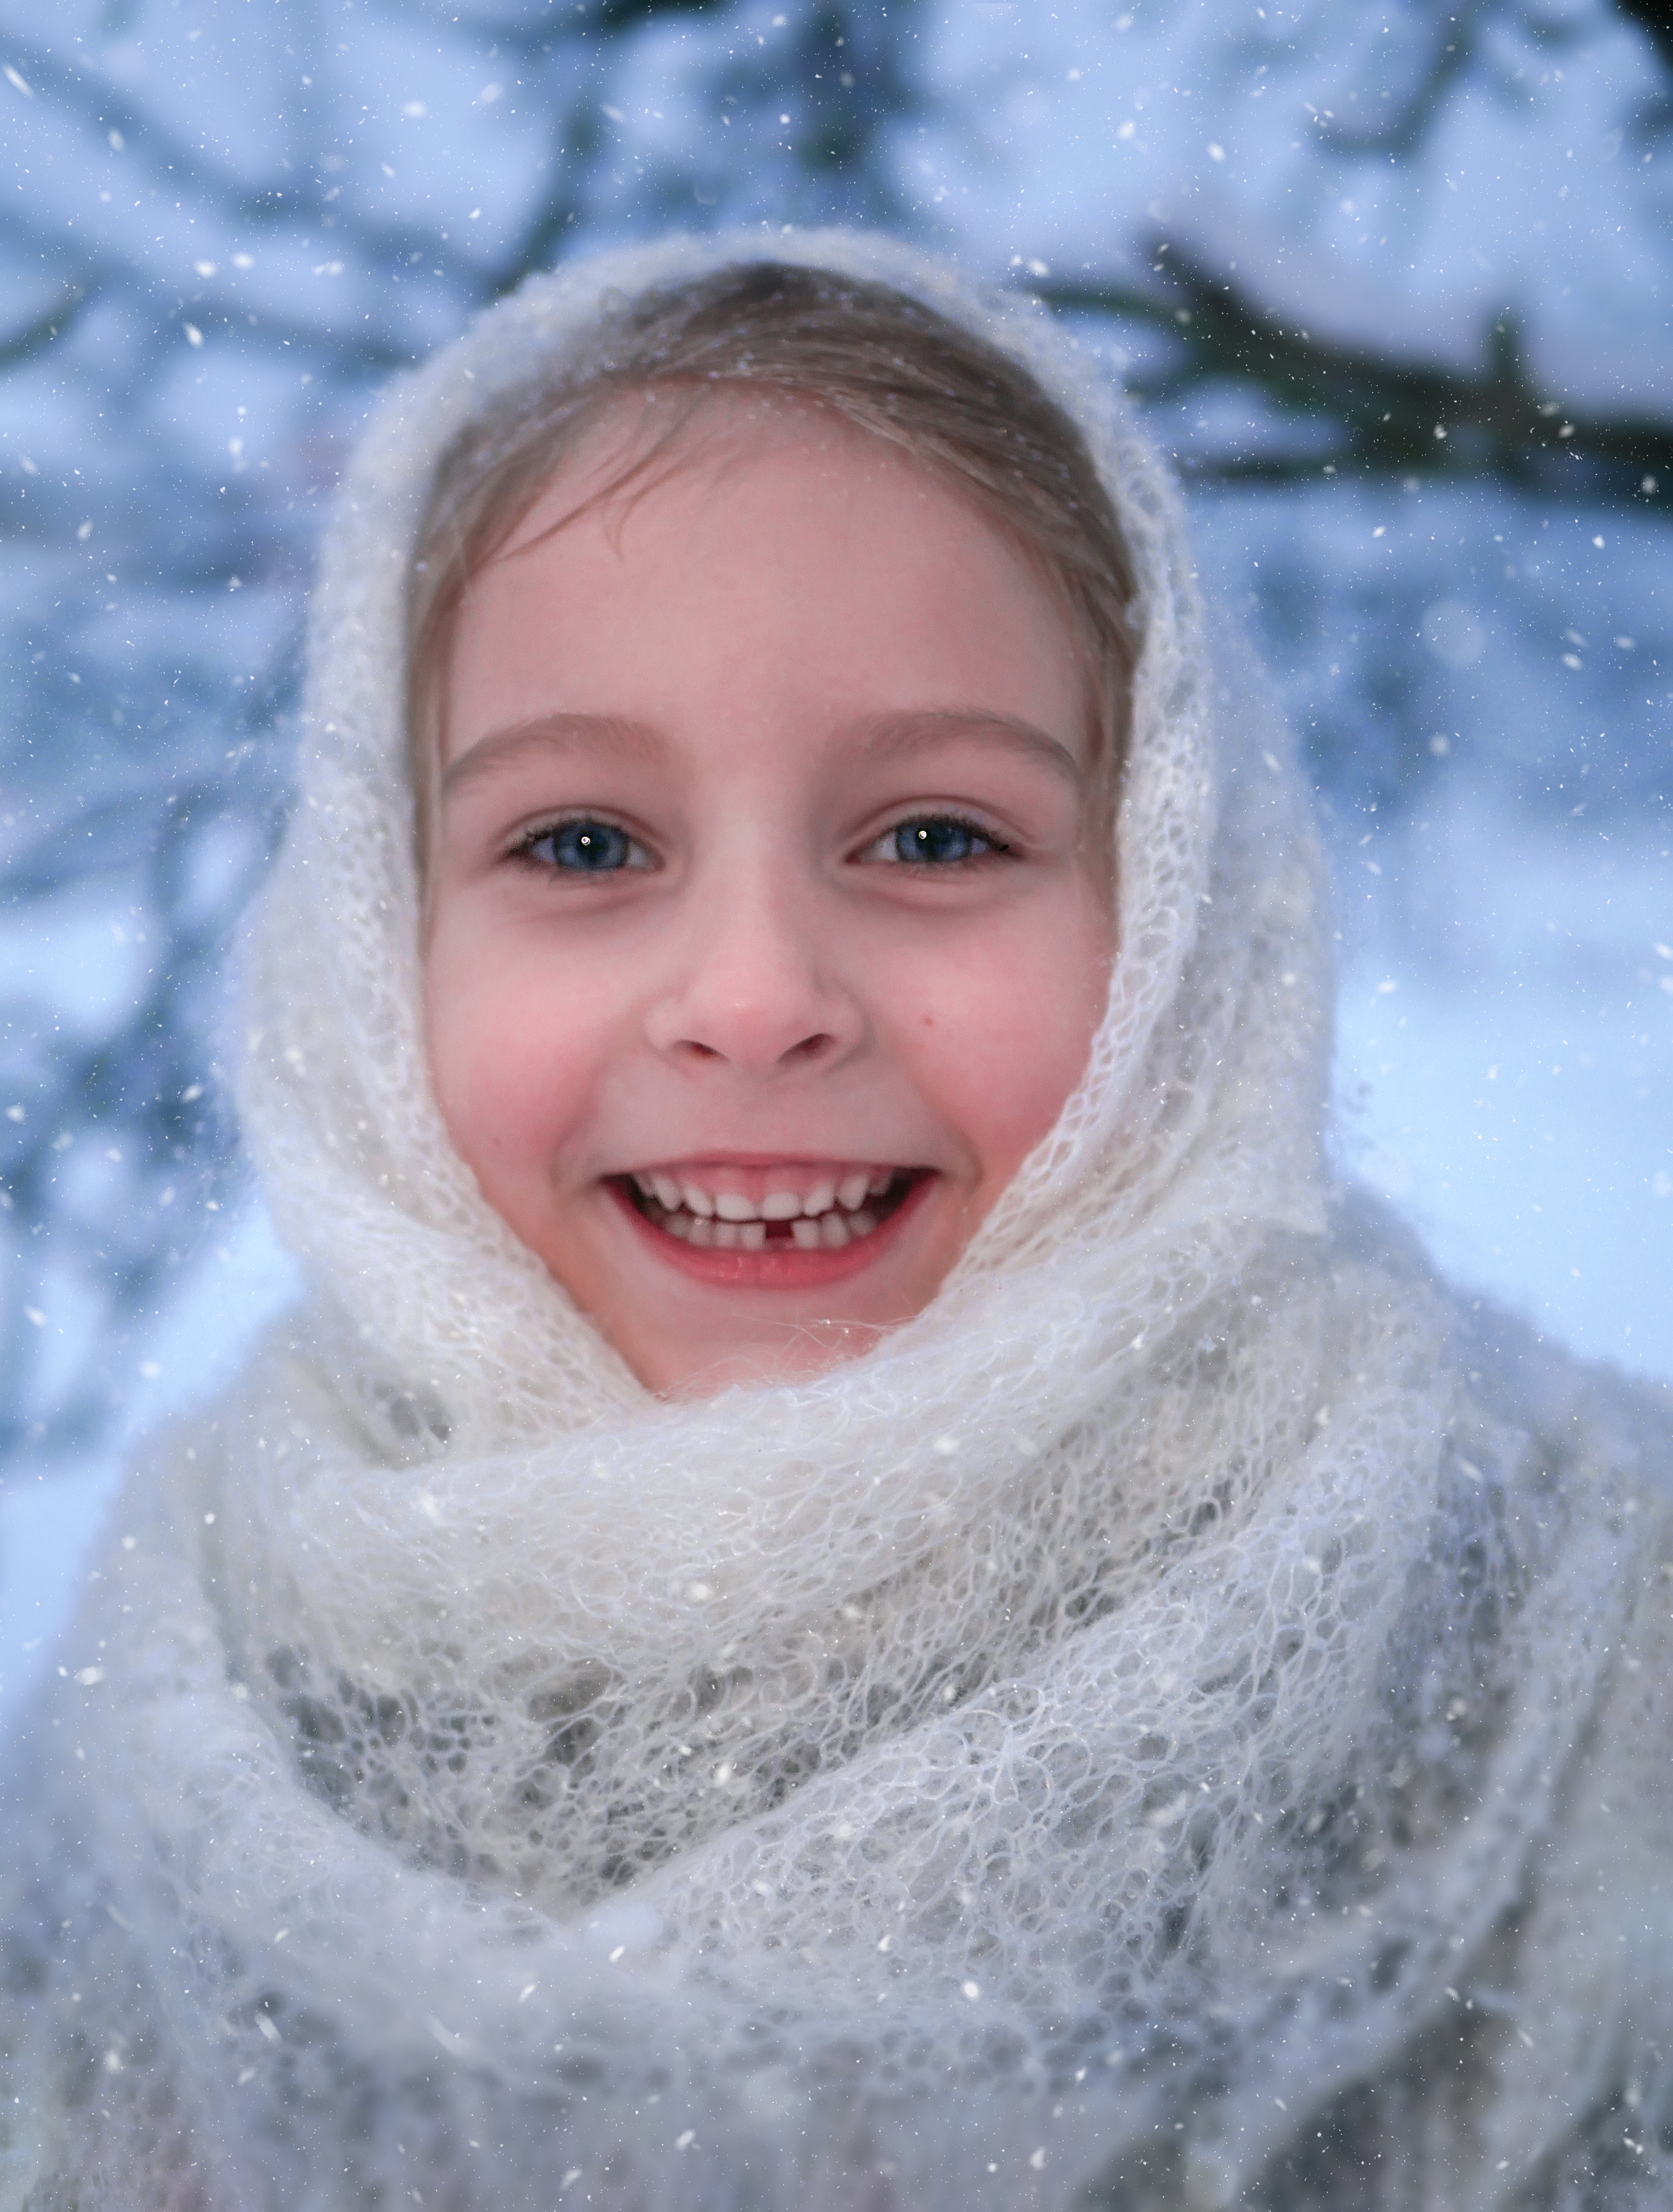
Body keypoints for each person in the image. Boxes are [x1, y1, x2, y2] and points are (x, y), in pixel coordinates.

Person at [3, 233, 1670, 2212]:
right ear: (378, 930)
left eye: (940, 835)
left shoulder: (1571, 1634)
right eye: (585, 841)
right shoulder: (194, 1683)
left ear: (1178, 912)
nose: (758, 989)